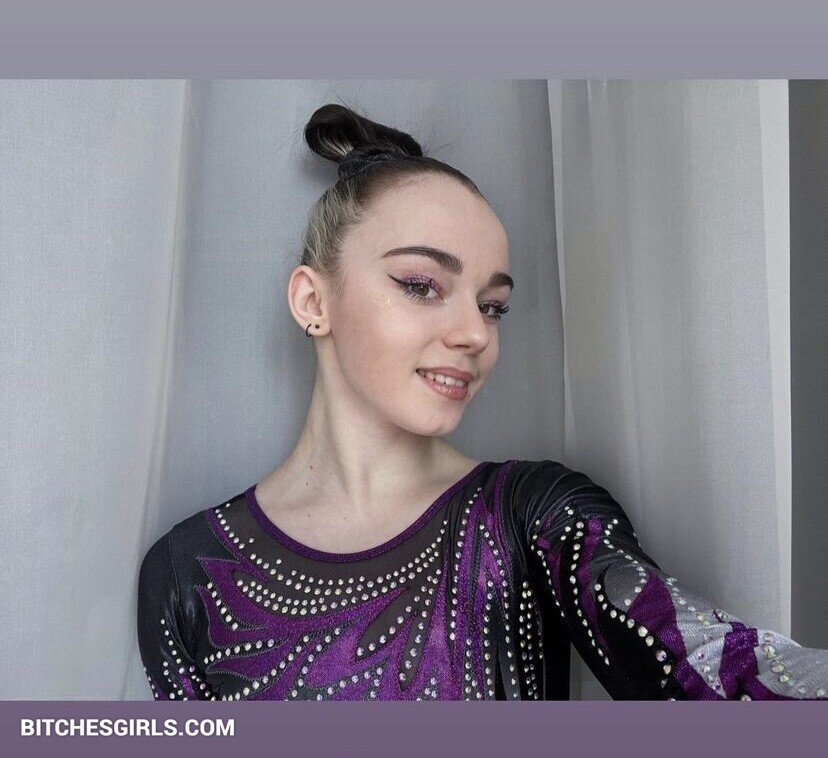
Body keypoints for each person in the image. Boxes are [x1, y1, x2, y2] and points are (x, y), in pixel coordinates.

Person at [137, 103, 827, 701]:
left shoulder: (536, 517)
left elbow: (720, 670)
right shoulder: (184, 574)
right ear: (312, 300)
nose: (475, 334)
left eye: (492, 305)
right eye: (421, 285)